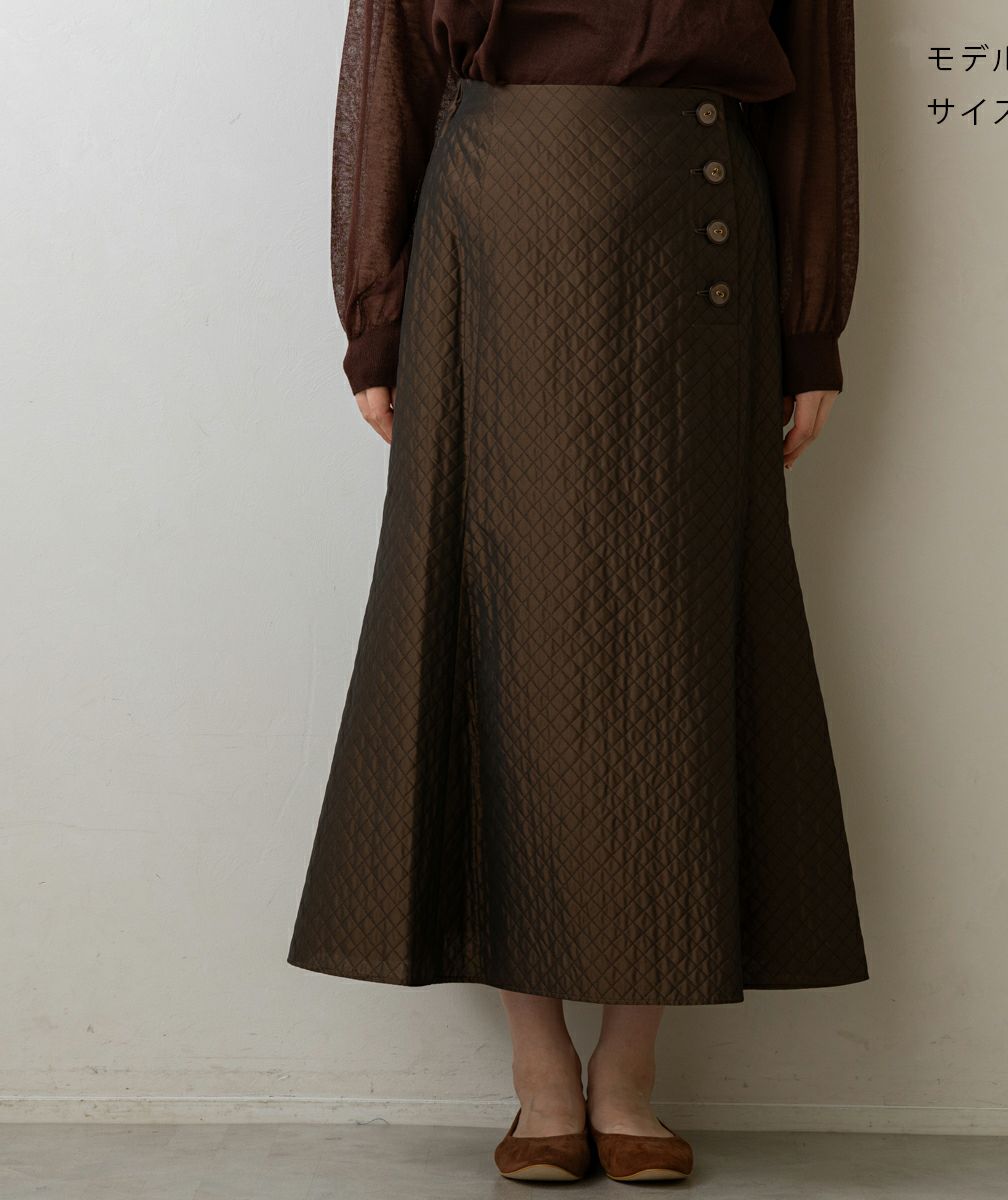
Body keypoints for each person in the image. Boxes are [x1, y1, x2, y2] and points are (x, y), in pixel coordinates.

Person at [288, 0, 869, 1183]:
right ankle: (540, 1067)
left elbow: (816, 79)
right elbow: (388, 74)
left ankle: (629, 1072)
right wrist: (378, 318)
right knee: (513, 638)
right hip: (497, 243)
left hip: (690, 241)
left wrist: (810, 329)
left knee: (671, 651)